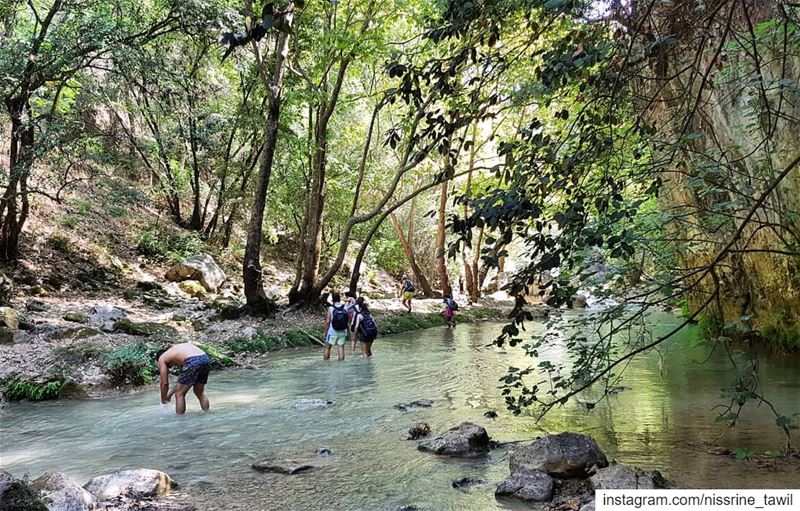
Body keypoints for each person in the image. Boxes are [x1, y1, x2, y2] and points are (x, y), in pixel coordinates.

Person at [156, 343, 211, 415]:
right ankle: (207, 414)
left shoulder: (162, 358)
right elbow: (181, 382)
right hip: (205, 358)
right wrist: (170, 394)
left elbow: (164, 383)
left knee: (179, 394)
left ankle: (180, 421)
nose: (171, 366)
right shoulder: (178, 352)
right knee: (199, 392)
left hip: (192, 360)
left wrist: (163, 400)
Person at [324, 292, 349, 361]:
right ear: (339, 299)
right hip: (343, 331)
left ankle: (326, 364)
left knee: (327, 348)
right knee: (341, 348)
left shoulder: (331, 308)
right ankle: (341, 365)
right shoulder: (345, 307)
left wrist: (325, 332)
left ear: (332, 300)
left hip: (332, 332)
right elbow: (348, 319)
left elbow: (328, 321)